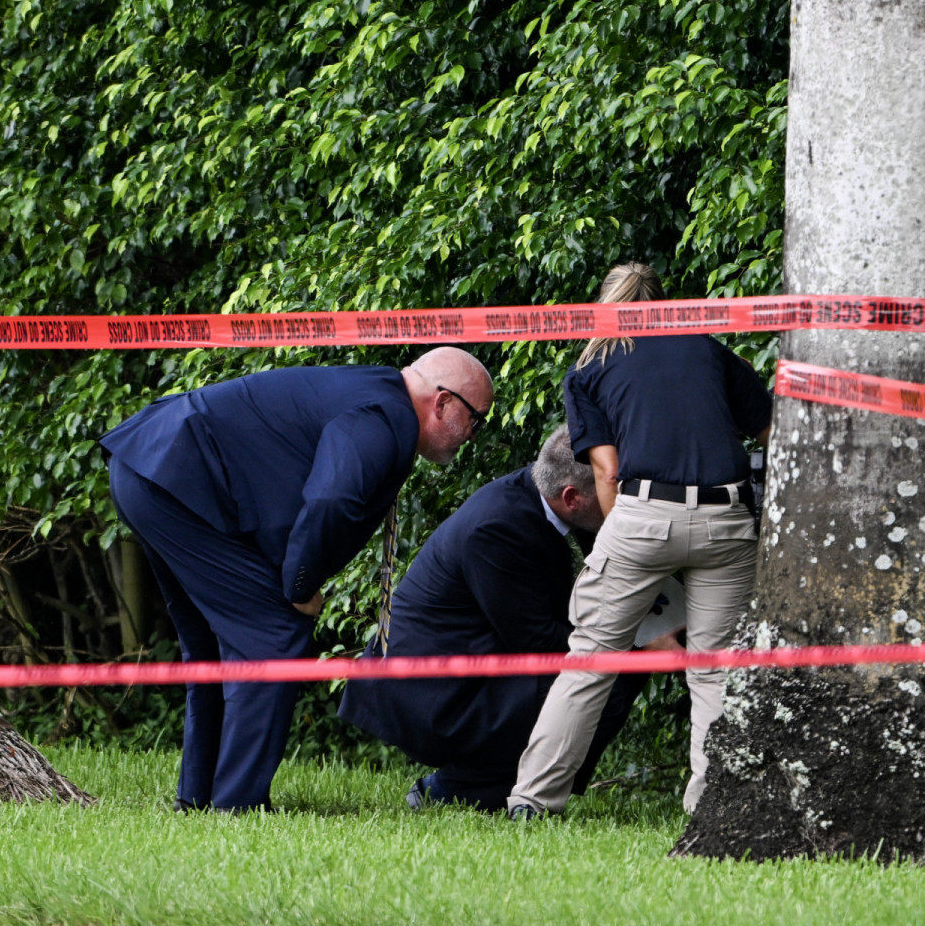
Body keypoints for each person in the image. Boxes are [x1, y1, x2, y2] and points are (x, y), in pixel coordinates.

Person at [102, 347, 494, 811]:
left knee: (211, 648)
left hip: (155, 469)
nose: (473, 434)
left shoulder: (379, 395)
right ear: (444, 401)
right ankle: (238, 807)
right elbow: (331, 498)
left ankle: (198, 799)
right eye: (477, 419)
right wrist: (300, 586)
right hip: (176, 478)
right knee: (273, 637)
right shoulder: (386, 416)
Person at [508, 262, 772, 819]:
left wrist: (619, 543)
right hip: (728, 519)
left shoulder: (590, 367)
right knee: (714, 667)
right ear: (663, 301)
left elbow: (606, 472)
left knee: (591, 661)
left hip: (643, 514)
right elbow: (770, 430)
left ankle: (533, 801)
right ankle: (711, 809)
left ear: (604, 306)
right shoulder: (706, 346)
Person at [339, 426, 681, 812]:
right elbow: (538, 642)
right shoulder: (499, 529)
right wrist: (641, 649)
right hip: (436, 694)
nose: (622, 506)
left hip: (472, 666)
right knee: (604, 681)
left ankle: (502, 782)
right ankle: (459, 789)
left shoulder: (547, 497)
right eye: (613, 493)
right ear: (571, 497)